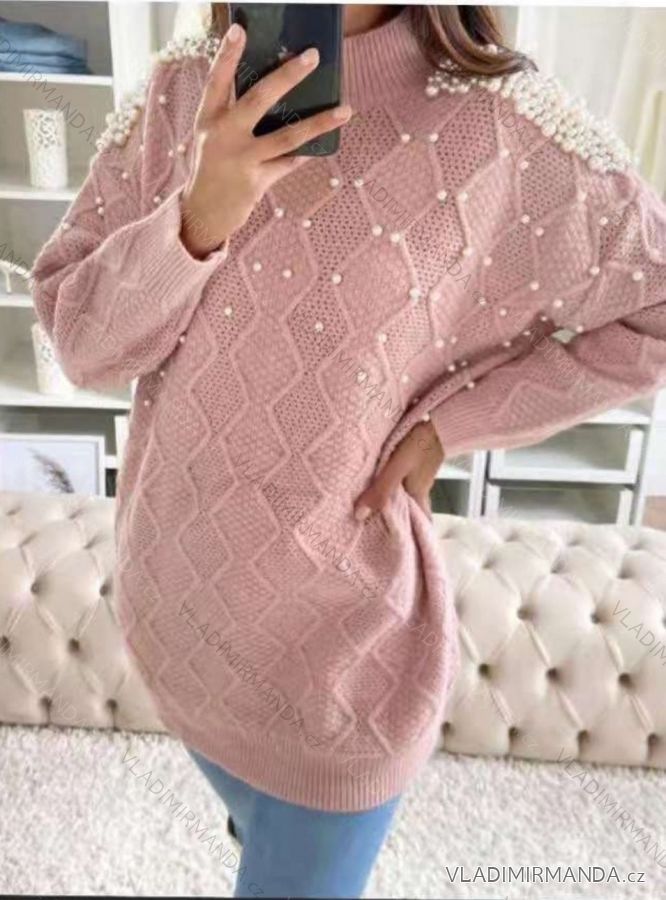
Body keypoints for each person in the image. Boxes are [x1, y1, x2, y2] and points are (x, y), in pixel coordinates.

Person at [30, 4, 666, 897]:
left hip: (345, 672)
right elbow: (81, 344)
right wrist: (198, 217)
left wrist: (452, 424)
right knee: (260, 832)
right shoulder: (186, 88)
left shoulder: (503, 127)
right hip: (175, 617)